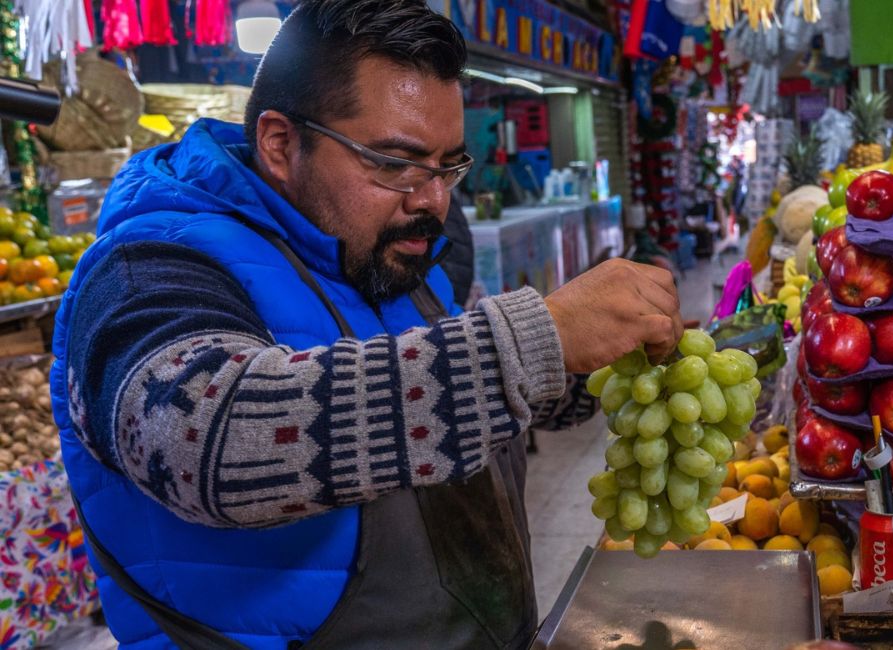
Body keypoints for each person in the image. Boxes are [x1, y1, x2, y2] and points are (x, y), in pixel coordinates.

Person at [49, 1, 683, 648]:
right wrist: (531, 342)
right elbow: (199, 439)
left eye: (448, 165)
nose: (432, 199)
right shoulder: (148, 266)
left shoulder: (375, 251)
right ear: (279, 143)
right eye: (394, 162)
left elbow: (425, 394)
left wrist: (583, 370)